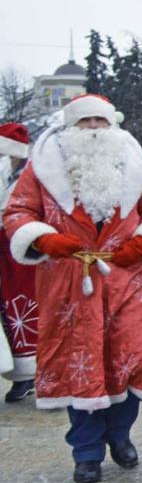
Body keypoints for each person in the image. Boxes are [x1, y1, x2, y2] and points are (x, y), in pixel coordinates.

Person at [3, 94, 142, 483]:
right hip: (69, 281)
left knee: (130, 359)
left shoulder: (132, 160)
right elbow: (18, 211)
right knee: (79, 366)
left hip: (125, 276)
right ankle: (87, 451)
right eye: (85, 122)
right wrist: (44, 240)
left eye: (100, 121)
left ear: (110, 125)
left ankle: (120, 434)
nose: (94, 128)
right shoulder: (43, 167)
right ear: (70, 127)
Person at [0, 123, 38, 403]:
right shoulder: (3, 173)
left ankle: (31, 373)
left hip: (23, 250)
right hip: (4, 250)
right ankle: (20, 372)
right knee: (8, 312)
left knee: (25, 307)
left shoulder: (31, 175)